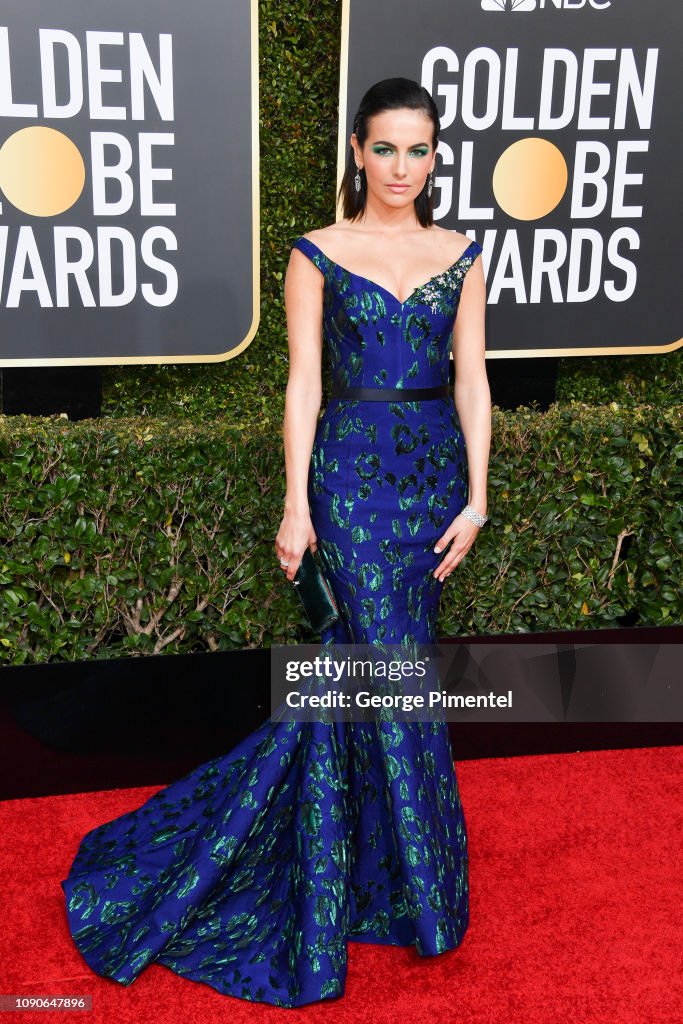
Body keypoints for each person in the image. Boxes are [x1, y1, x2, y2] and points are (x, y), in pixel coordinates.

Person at [60, 77, 490, 1009]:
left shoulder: (461, 252)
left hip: (431, 483)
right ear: (357, 152)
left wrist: (479, 499)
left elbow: (473, 382)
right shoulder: (317, 253)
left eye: (418, 150)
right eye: (384, 149)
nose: (401, 169)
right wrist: (296, 504)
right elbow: (301, 386)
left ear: (433, 155)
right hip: (347, 479)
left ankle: (379, 876)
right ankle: (409, 891)